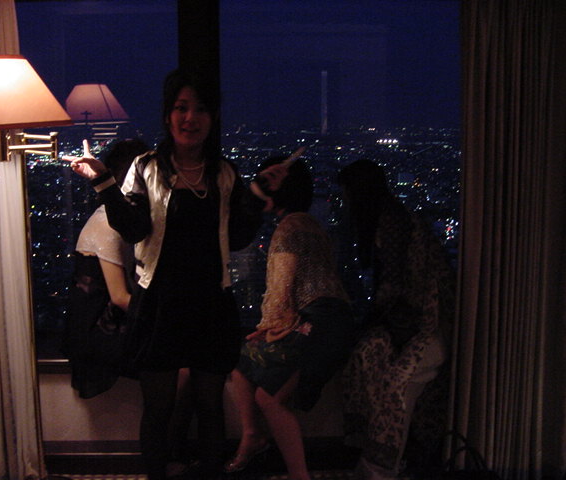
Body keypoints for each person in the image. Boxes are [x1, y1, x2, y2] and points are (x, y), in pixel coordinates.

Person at [63, 69, 287, 480]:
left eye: (200, 109)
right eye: (181, 108)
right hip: (159, 307)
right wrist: (103, 182)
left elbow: (238, 237)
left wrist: (257, 194)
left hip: (210, 305)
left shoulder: (224, 173)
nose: (190, 118)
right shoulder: (146, 168)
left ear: (212, 117)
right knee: (158, 409)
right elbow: (133, 229)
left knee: (210, 408)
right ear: (168, 115)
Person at [224, 154, 359, 480]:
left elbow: (281, 287)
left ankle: (297, 472)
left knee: (268, 398)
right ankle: (253, 436)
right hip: (334, 320)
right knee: (242, 361)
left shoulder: (289, 228)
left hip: (319, 321)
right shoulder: (311, 224)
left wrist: (270, 328)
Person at [337, 159, 456, 480]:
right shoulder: (394, 219)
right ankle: (387, 464)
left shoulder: (390, 223)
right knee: (370, 362)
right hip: (417, 328)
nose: (345, 203)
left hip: (425, 331)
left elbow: (393, 287)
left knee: (394, 391)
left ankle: (380, 467)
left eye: (347, 195)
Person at [63, 138, 148, 399]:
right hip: (98, 330)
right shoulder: (108, 224)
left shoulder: (114, 216)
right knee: (176, 366)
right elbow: (120, 297)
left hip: (103, 323)